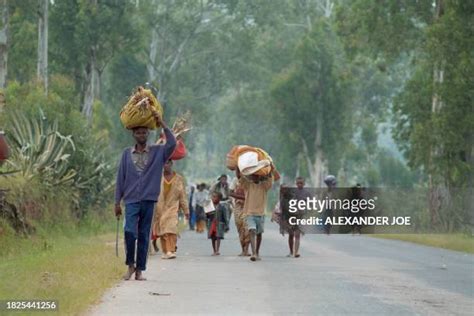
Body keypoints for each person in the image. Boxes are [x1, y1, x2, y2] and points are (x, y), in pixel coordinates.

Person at [115, 113, 176, 281]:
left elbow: (173, 143)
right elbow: (121, 178)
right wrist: (117, 202)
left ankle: (139, 270)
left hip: (149, 200)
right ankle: (130, 266)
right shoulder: (126, 154)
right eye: (138, 133)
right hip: (131, 199)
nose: (141, 135)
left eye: (144, 132)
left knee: (143, 235)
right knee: (129, 232)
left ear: (148, 134)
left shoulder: (158, 152)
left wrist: (161, 122)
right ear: (133, 135)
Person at [152, 159, 189, 259]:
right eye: (163, 163)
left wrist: (186, 211)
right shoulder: (157, 178)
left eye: (167, 163)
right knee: (163, 230)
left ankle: (171, 250)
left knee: (171, 228)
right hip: (160, 208)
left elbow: (182, 196)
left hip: (173, 207)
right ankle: (165, 251)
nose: (165, 165)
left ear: (171, 164)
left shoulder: (178, 179)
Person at [240, 171, 274, 262]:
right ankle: (254, 253)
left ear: (259, 177)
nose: (255, 177)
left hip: (260, 213)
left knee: (259, 234)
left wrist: (269, 168)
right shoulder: (248, 185)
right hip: (249, 213)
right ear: (250, 177)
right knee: (252, 231)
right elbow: (239, 176)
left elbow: (270, 178)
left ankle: (257, 251)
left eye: (256, 176)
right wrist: (237, 167)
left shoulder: (264, 185)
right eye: (253, 176)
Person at [286, 177, 312, 258]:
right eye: (298, 183)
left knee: (297, 234)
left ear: (304, 184)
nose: (299, 184)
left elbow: (310, 204)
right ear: (296, 183)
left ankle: (296, 252)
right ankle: (291, 251)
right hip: (292, 215)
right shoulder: (292, 192)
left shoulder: (307, 193)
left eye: (301, 183)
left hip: (301, 216)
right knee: (291, 234)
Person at [229, 169, 250, 256]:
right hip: (238, 207)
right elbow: (230, 193)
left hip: (249, 207)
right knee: (240, 228)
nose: (238, 173)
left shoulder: (250, 180)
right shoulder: (235, 181)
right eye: (237, 171)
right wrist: (243, 197)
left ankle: (247, 250)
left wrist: (245, 198)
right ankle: (243, 250)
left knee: (248, 228)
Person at [206, 192, 228, 256]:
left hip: (219, 223)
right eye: (212, 197)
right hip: (211, 223)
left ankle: (217, 250)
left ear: (219, 199)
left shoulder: (222, 206)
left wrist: (226, 225)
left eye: (215, 197)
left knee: (218, 236)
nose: (213, 198)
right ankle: (214, 250)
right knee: (213, 237)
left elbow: (225, 216)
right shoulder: (209, 206)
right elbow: (207, 216)